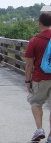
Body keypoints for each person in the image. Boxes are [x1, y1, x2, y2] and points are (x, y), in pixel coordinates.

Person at [25, 12, 51, 142]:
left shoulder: (35, 40)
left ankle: (39, 129)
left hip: (40, 78)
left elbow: (29, 64)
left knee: (35, 102)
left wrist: (27, 81)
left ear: (39, 23)